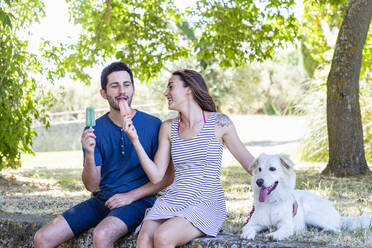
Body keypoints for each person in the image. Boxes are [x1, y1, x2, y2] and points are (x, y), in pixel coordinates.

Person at [33, 62, 173, 248]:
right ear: (103, 93)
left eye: (126, 84)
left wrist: (130, 196)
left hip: (139, 201)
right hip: (102, 200)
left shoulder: (154, 125)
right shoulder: (94, 130)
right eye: (114, 86)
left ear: (133, 88)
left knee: (102, 234)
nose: (122, 91)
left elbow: (167, 177)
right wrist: (89, 153)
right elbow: (92, 185)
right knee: (42, 238)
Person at [122, 69, 255, 248]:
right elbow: (156, 176)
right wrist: (135, 140)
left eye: (171, 87)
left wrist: (284, 190)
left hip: (206, 201)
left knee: (163, 237)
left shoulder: (219, 123)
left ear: (189, 89)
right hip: (173, 199)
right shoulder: (168, 128)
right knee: (144, 239)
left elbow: (251, 165)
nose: (165, 93)